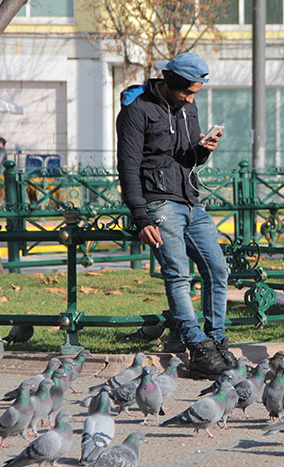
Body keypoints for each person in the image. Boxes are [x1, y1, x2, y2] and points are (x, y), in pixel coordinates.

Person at [116, 52, 235, 380]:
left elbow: (187, 160)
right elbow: (127, 166)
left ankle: (217, 340)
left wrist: (203, 150)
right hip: (158, 204)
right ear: (169, 82)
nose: (191, 98)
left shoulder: (189, 108)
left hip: (190, 200)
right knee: (178, 275)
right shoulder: (136, 110)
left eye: (195, 92)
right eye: (187, 91)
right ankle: (197, 347)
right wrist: (141, 217)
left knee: (217, 269)